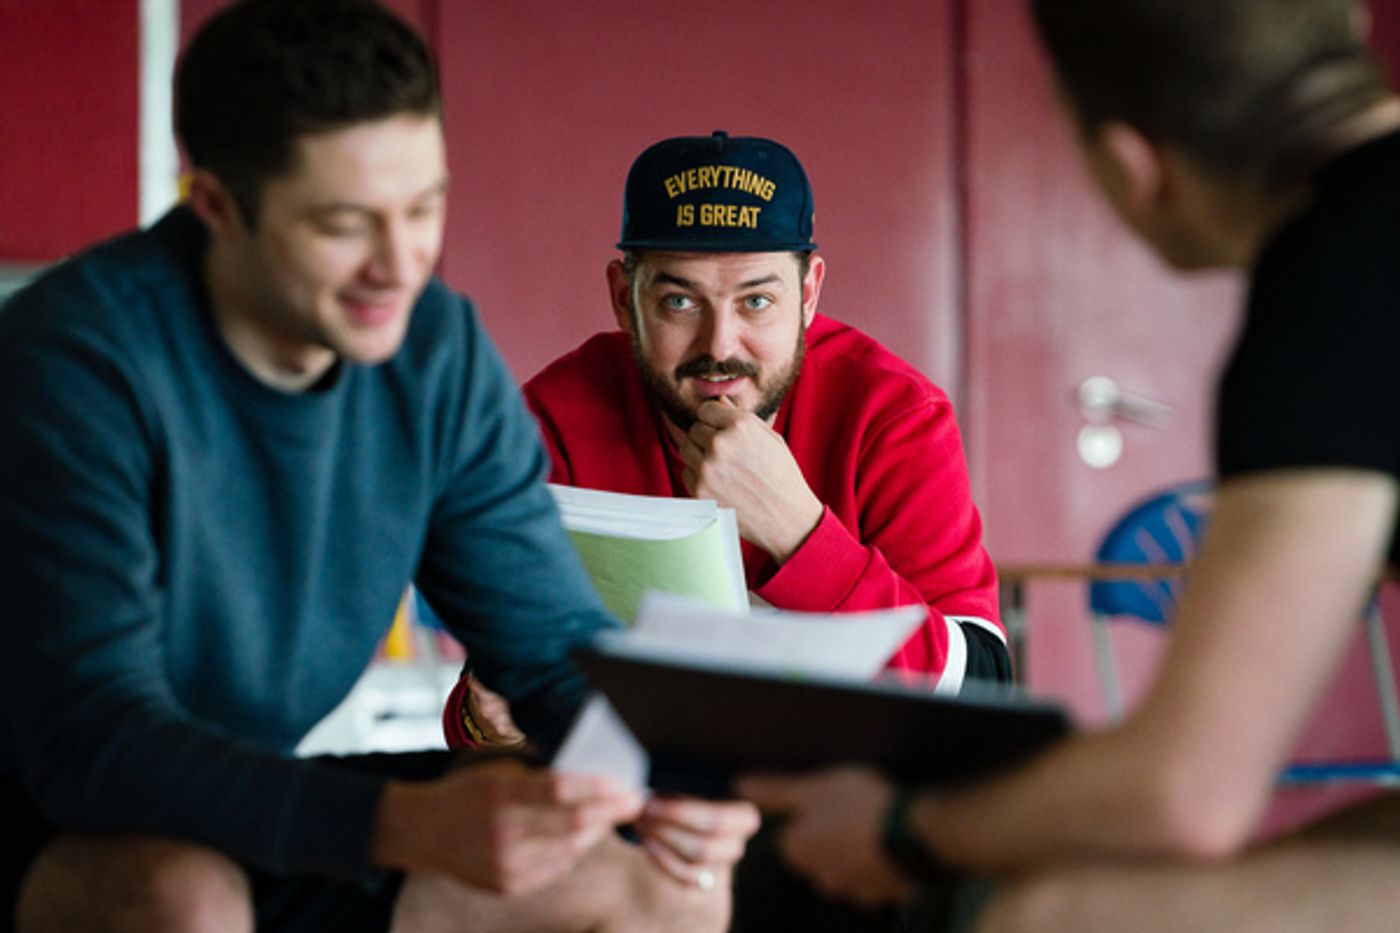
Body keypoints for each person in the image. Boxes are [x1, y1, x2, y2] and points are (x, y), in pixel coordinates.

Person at [0, 2, 756, 931]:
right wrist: (399, 822)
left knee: (662, 876)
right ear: (216, 206)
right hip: (58, 825)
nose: (399, 266)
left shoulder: (433, 353)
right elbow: (94, 745)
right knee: (180, 898)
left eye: (423, 207)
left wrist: (661, 783)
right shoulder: (75, 362)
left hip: (254, 810)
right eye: (344, 225)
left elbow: (552, 648)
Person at [737, 0, 1400, 930]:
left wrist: (899, 828)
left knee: (1052, 913)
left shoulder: (1334, 285)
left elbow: (1187, 790)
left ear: (1135, 163)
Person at [513, 130, 1009, 688]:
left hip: (850, 771)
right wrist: (486, 717)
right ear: (623, 299)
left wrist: (801, 534)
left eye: (756, 301)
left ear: (808, 295)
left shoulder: (894, 415)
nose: (721, 345)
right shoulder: (552, 416)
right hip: (640, 772)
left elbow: (984, 683)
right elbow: (490, 695)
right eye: (680, 301)